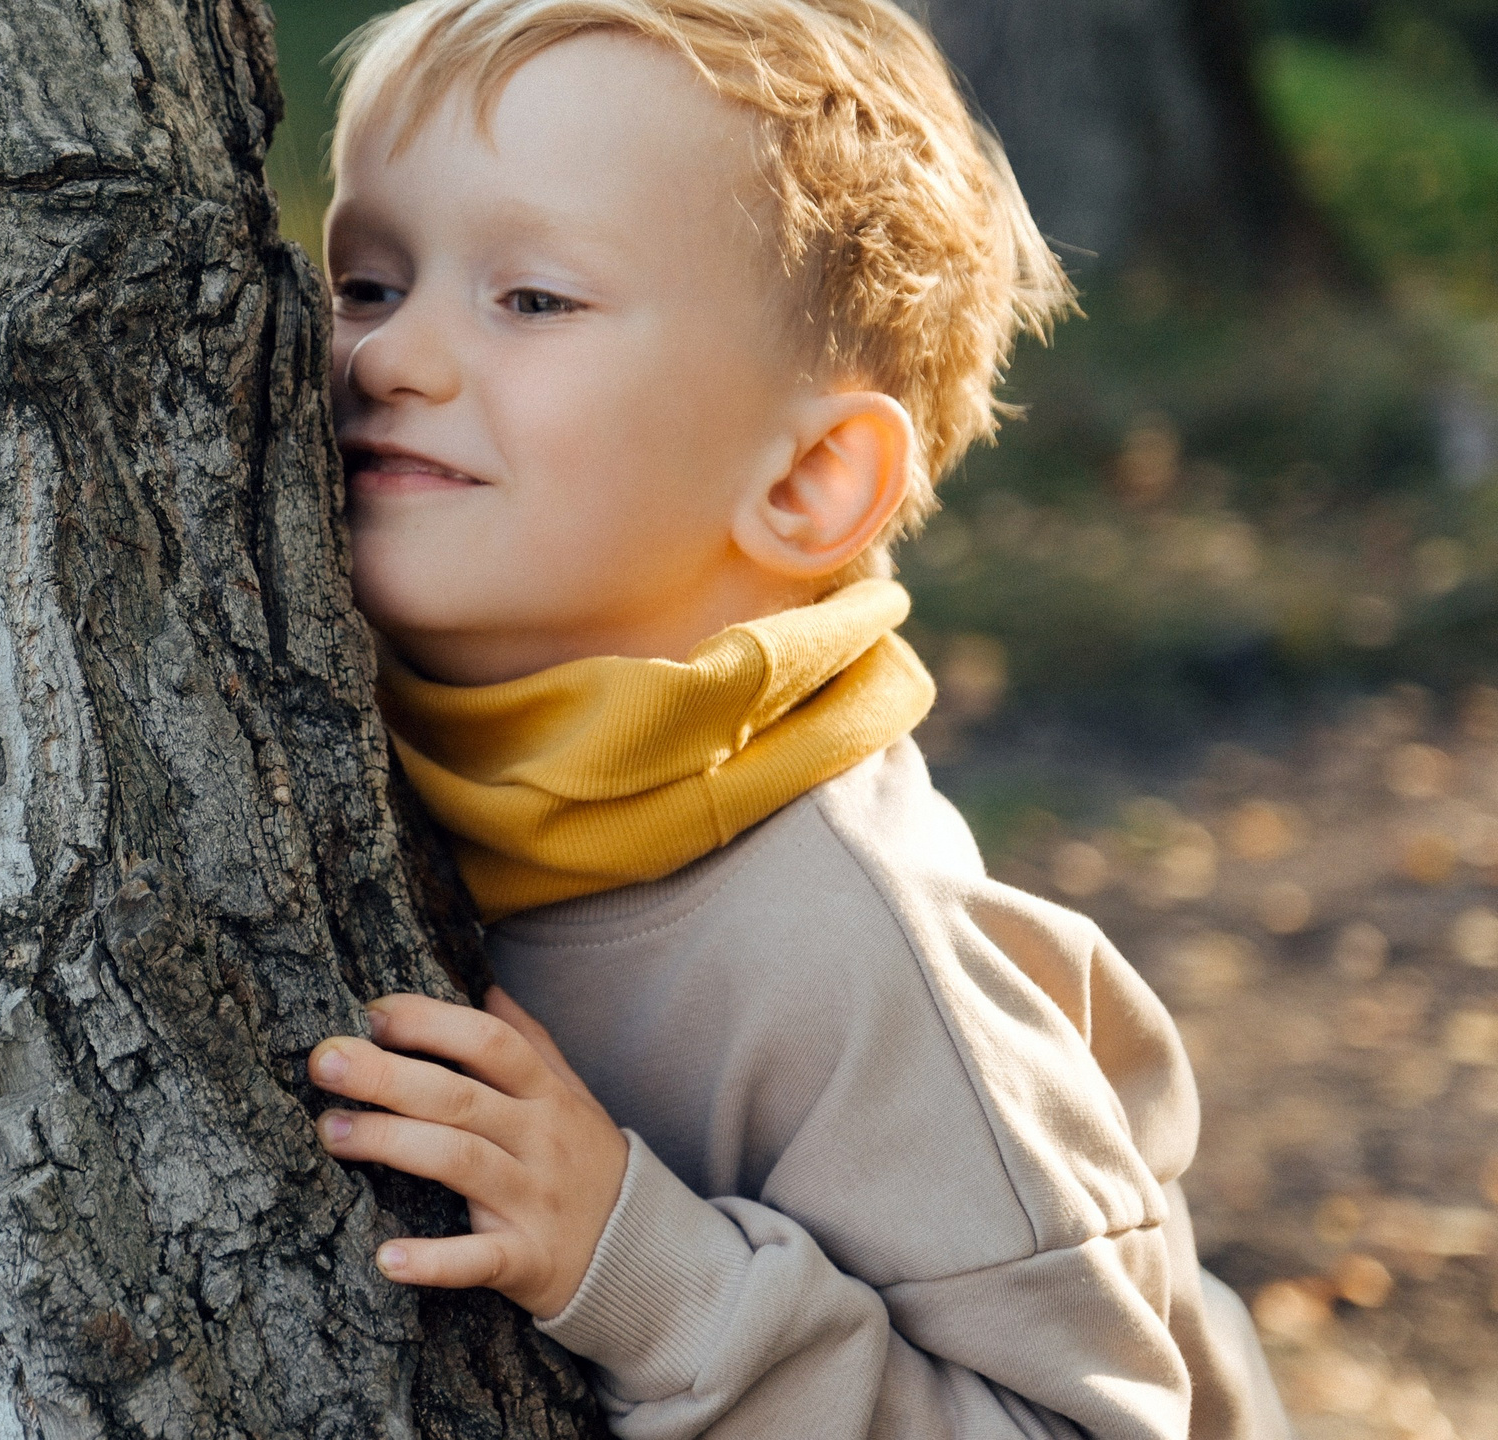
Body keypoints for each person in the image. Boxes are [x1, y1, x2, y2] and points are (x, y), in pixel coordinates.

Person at [300, 1, 1295, 1433]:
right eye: (370, 283)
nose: (389, 361)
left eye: (532, 300)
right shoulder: (394, 767)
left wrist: (636, 1265)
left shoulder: (856, 949)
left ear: (812, 480)